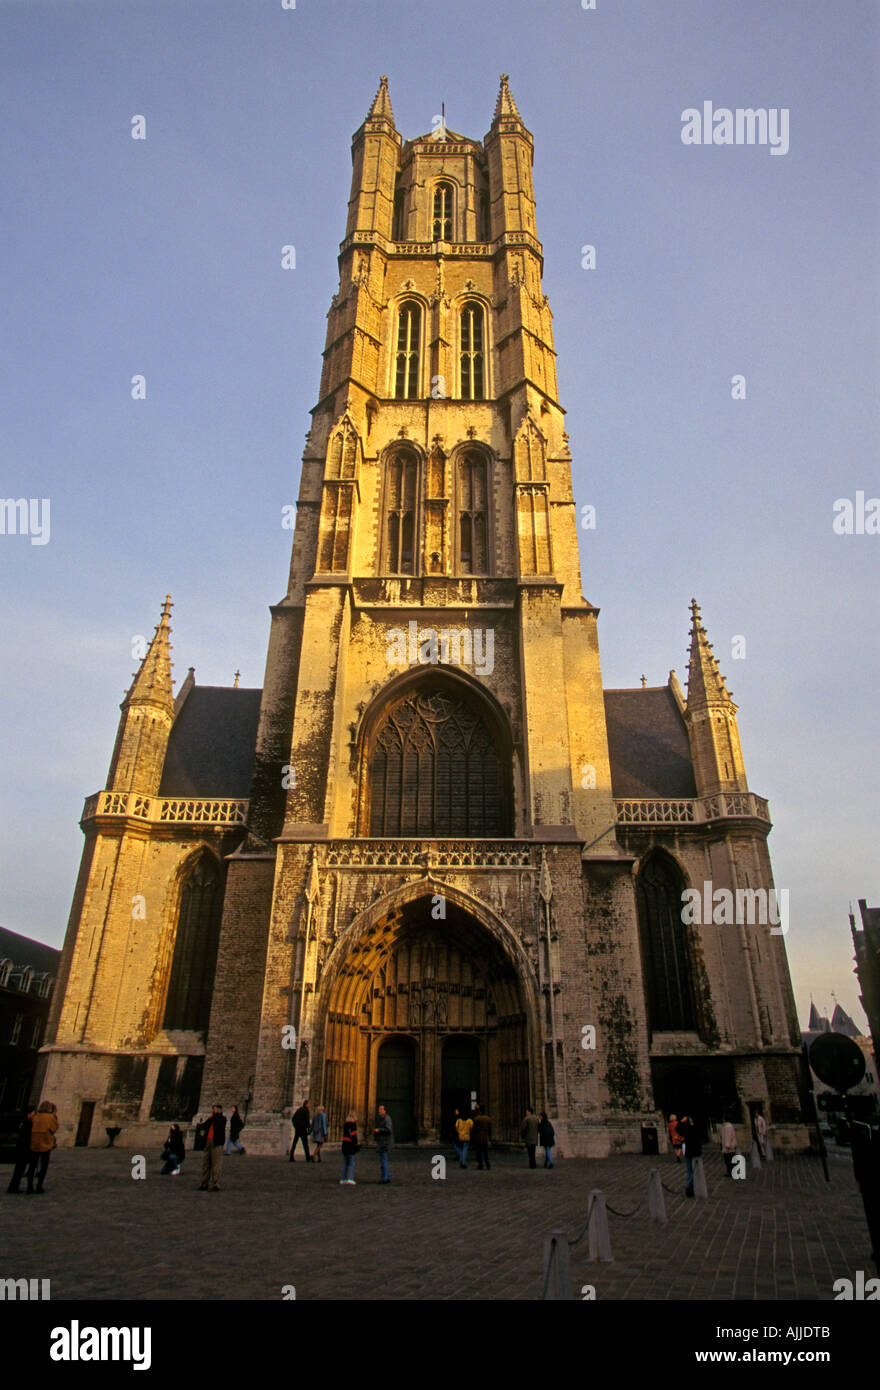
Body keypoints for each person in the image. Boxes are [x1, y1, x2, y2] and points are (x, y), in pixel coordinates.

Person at [27, 1101, 58, 1194]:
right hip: (45, 1142)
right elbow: (54, 1129)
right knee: (43, 1166)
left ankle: (30, 1186)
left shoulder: (36, 1117)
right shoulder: (50, 1118)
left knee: (32, 1166)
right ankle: (39, 1186)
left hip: (34, 1143)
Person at [7, 1106, 35, 1194]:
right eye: (33, 1113)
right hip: (24, 1149)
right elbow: (27, 1137)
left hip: (21, 1148)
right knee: (19, 1169)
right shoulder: (28, 1123)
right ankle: (13, 1187)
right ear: (29, 1114)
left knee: (19, 1169)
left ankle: (14, 1186)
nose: (34, 1115)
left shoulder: (24, 1122)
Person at [197, 1105, 226, 1190]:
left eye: (216, 1110)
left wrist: (215, 1115)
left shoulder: (222, 1118)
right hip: (208, 1142)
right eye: (213, 1110)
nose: (214, 1111)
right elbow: (204, 1126)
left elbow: (218, 1119)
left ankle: (215, 1184)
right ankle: (204, 1183)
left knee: (216, 1164)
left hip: (216, 1143)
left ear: (220, 1110)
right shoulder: (211, 1119)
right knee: (206, 1163)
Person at [677, 1114, 702, 1197]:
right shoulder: (694, 1128)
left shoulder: (686, 1129)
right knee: (696, 1171)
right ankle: (695, 1187)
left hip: (688, 1152)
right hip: (695, 1152)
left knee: (689, 1171)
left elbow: (678, 1129)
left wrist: (681, 1122)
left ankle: (689, 1188)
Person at [374, 1103, 393, 1184]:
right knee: (383, 1160)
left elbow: (389, 1130)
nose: (379, 1111)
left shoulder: (387, 1119)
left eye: (381, 1109)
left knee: (383, 1161)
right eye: (379, 1109)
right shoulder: (382, 1119)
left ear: (385, 1111)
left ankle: (385, 1178)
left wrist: (379, 1130)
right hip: (382, 1142)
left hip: (384, 1143)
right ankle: (387, 1177)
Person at [340, 1110, 359, 1185]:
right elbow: (354, 1136)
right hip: (350, 1145)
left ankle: (343, 1179)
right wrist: (357, 1143)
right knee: (351, 1163)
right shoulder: (353, 1125)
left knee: (345, 1162)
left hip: (345, 1145)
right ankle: (350, 1178)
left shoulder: (346, 1124)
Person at [471, 1105, 492, 1171]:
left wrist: (472, 1137)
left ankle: (480, 1164)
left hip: (478, 1137)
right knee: (485, 1152)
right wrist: (489, 1136)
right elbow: (490, 1129)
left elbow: (474, 1129)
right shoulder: (488, 1119)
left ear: (479, 1111)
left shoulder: (477, 1118)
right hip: (485, 1137)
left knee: (479, 1152)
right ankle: (487, 1164)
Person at [720, 1114, 738, 1178]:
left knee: (730, 1160)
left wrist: (727, 1145)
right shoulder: (724, 1126)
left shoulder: (728, 1126)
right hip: (727, 1147)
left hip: (729, 1148)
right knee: (728, 1161)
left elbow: (728, 1137)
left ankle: (732, 1172)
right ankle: (730, 1172)